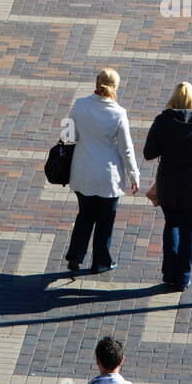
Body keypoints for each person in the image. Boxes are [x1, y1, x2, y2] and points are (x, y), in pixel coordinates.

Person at [143, 81, 192, 291]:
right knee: (190, 233)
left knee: (171, 225)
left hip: (168, 185)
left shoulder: (161, 121)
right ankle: (183, 278)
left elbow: (148, 153)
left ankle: (169, 273)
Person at [65, 67, 139, 274]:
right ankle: (100, 262)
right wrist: (133, 175)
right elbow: (126, 149)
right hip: (108, 177)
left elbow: (68, 136)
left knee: (85, 215)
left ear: (96, 83)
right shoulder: (118, 113)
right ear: (115, 87)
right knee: (105, 222)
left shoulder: (79, 105)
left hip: (83, 172)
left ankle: (75, 255)